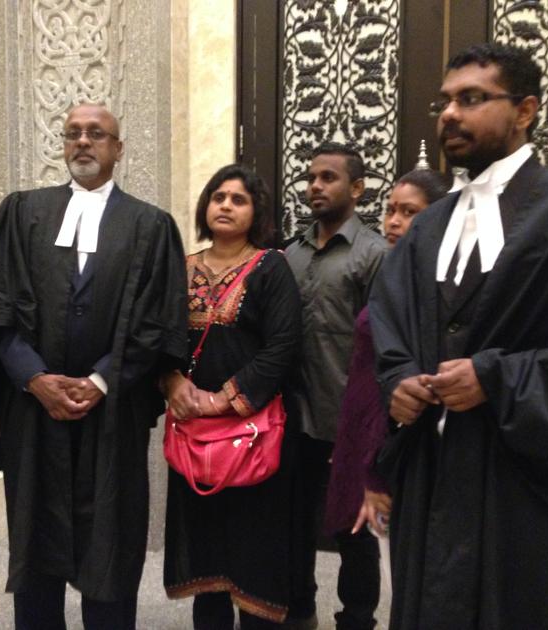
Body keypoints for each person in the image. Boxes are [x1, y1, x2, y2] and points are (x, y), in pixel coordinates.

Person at [369, 43, 548, 629]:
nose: (450, 113)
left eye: (473, 99)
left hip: (534, 487)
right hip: (434, 470)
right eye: (446, 100)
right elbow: (392, 325)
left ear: (526, 110)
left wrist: (497, 376)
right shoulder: (429, 225)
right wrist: (398, 381)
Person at [0, 103, 188, 630]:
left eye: (97, 134)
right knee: (35, 538)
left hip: (113, 412)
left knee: (110, 537)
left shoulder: (150, 225)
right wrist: (34, 377)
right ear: (63, 145)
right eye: (73, 134)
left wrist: (101, 379)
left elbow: (158, 320)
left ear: (118, 148)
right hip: (34, 411)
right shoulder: (22, 212)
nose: (83, 142)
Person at [162, 163, 302, 629]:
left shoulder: (270, 267)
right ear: (206, 205)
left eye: (238, 199)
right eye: (219, 196)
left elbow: (283, 345)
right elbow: (158, 338)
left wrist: (223, 399)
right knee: (205, 554)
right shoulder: (182, 269)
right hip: (195, 436)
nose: (225, 205)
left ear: (256, 211)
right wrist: (172, 383)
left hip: (252, 434)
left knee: (253, 548)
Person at [284, 143, 388, 630]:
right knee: (293, 523)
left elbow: (381, 346)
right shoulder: (290, 253)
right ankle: (299, 608)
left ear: (358, 188)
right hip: (292, 417)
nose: (316, 186)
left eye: (328, 177)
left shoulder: (373, 255)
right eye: (311, 177)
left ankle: (358, 618)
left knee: (352, 529)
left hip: (345, 420)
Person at [323, 168, 449, 542]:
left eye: (409, 212)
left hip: (405, 442)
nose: (393, 222)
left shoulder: (442, 286)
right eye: (391, 210)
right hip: (365, 424)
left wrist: (380, 467)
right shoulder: (394, 272)